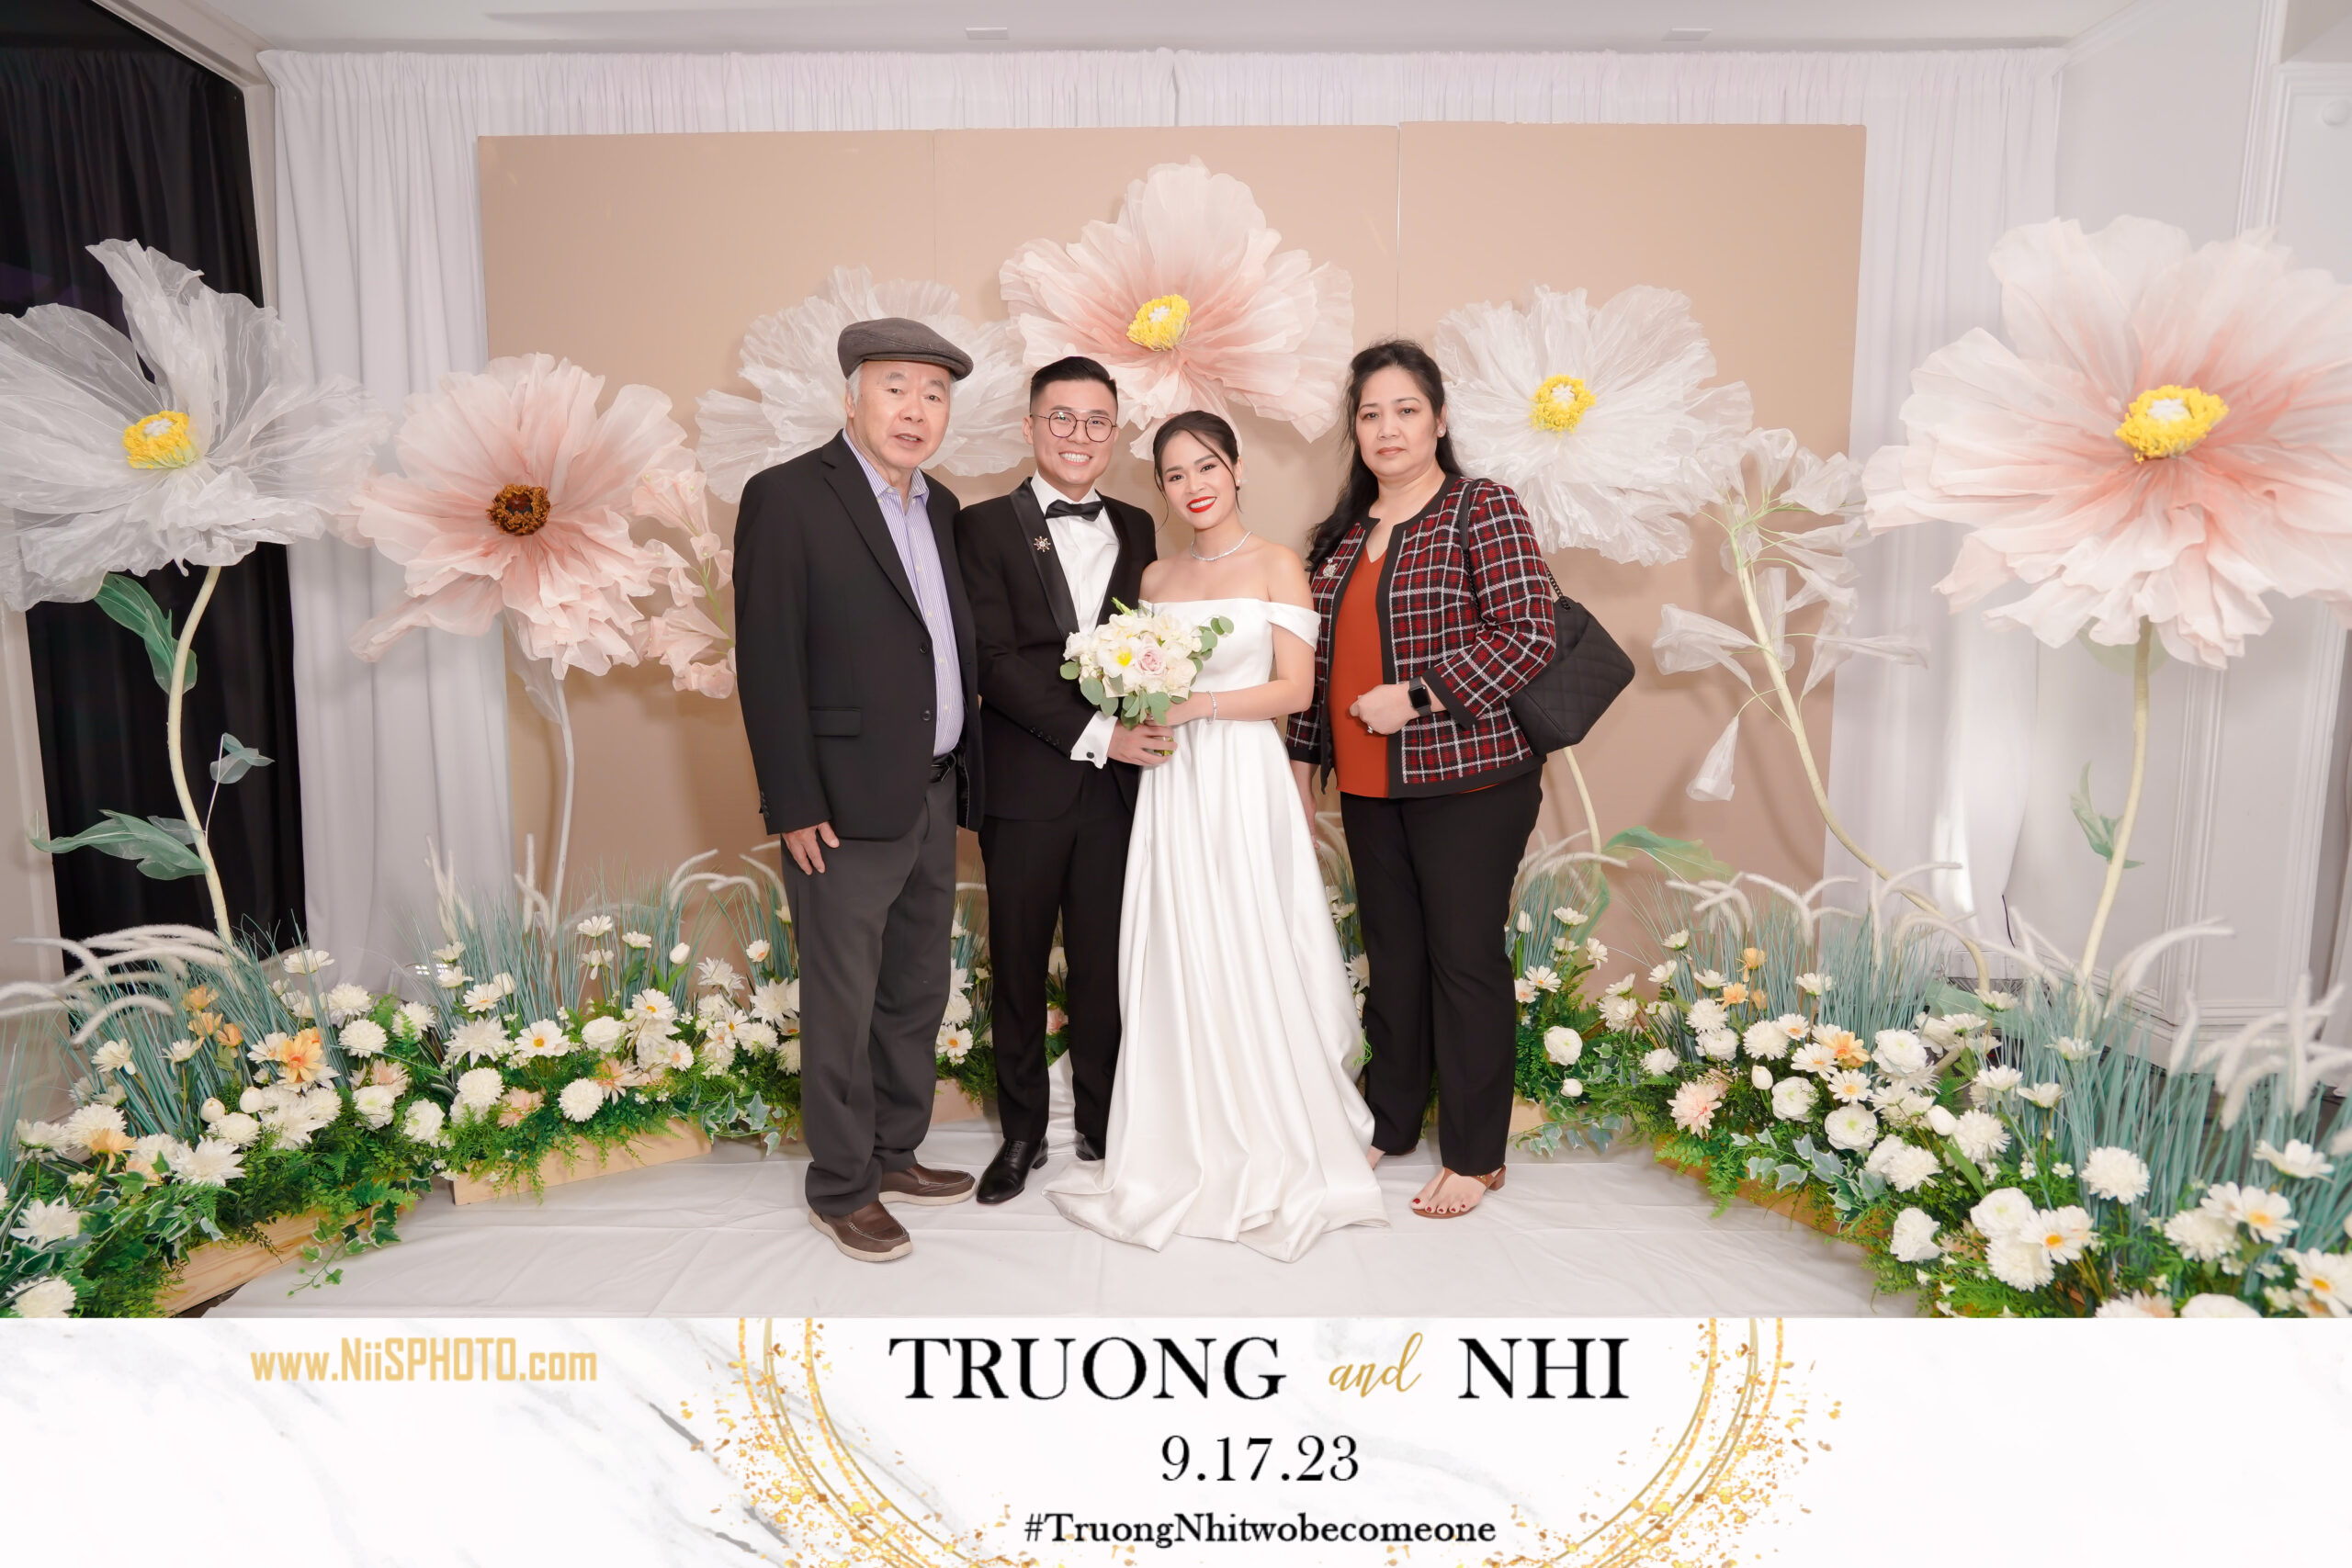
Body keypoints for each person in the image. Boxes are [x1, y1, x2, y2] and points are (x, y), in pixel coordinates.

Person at [1046, 410, 1386, 1262]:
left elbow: (1295, 691)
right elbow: (1136, 679)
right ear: (1161, 488)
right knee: (1178, 940)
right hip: (1172, 781)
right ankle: (1183, 1132)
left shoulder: (1277, 563)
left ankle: (1274, 1128)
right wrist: (1139, 703)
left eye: (1206, 466)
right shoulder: (1155, 577)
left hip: (1242, 774)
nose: (1193, 485)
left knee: (1249, 933)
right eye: (1174, 474)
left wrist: (1199, 703)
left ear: (1236, 469)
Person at [1285, 340, 1557, 1220]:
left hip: (1469, 780)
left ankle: (1477, 1155)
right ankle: (1393, 1122)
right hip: (1370, 788)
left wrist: (1417, 695)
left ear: (1439, 420)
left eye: (1406, 410)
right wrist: (1300, 770)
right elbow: (1315, 668)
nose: (1388, 428)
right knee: (1394, 961)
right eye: (1370, 413)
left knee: (1462, 959)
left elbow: (1529, 632)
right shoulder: (1340, 538)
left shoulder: (1482, 506)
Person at [733, 317, 984, 1263]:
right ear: (851, 398)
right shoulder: (789, 496)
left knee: (916, 986)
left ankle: (893, 1151)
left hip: (932, 791)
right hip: (838, 805)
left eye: (934, 393)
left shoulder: (942, 507)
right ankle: (840, 1186)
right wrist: (792, 801)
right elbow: (767, 658)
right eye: (895, 387)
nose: (916, 409)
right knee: (842, 1001)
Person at [958, 356, 1167, 1203]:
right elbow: (993, 661)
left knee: (1105, 964)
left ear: (1113, 433)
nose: (1079, 435)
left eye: (1096, 421)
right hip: (1025, 784)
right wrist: (1099, 734)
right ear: (1030, 427)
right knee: (1016, 964)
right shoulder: (981, 526)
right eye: (1062, 418)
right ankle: (1021, 1133)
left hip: (1118, 792)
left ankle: (1104, 1121)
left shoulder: (1140, 524)